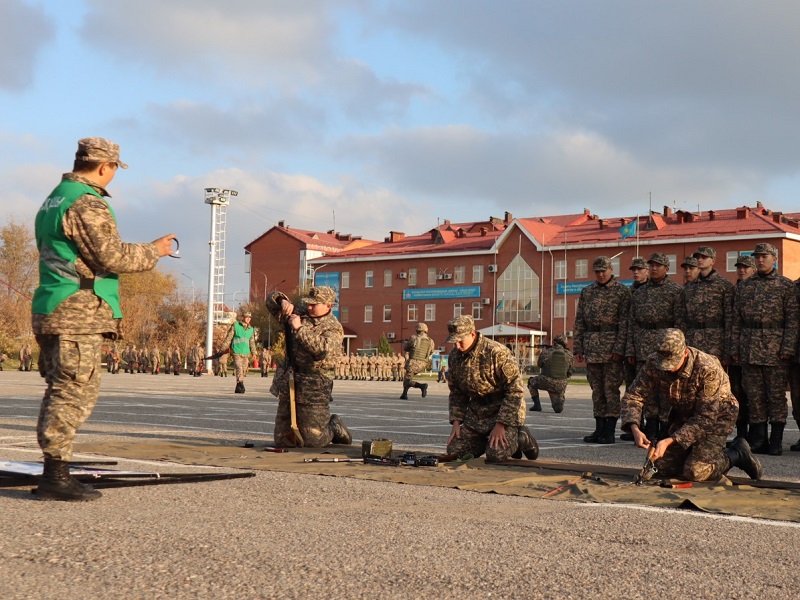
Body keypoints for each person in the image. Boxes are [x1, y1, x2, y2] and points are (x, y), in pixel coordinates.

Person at [31, 137, 175, 501]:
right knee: (73, 392)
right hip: (76, 311)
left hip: (54, 305)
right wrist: (154, 251)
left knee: (62, 390)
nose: (113, 176)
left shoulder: (54, 198)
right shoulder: (85, 202)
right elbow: (111, 257)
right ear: (104, 167)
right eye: (114, 169)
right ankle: (55, 475)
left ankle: (57, 469)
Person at [620, 329, 762, 482]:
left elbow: (706, 417)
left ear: (685, 353)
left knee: (696, 472)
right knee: (662, 468)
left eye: (672, 363)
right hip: (685, 414)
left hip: (717, 417)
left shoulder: (707, 368)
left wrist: (670, 440)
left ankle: (737, 454)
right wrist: (635, 428)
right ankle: (692, 453)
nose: (668, 368)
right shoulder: (654, 362)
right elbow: (634, 396)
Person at [731, 243, 799, 455]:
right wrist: (736, 347)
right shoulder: (744, 286)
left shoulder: (786, 286)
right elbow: (736, 321)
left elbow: (793, 321)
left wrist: (787, 347)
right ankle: (759, 440)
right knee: (754, 395)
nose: (760, 260)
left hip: (775, 349)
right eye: (757, 257)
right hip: (749, 347)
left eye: (765, 256)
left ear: (774, 259)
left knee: (776, 396)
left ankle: (776, 442)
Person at [445, 315, 538, 462]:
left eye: (460, 341)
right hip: (477, 414)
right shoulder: (455, 356)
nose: (457, 346)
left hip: (502, 411)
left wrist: (501, 424)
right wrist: (456, 422)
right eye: (454, 341)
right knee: (455, 452)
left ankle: (521, 438)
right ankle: (490, 442)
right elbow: (457, 392)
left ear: (472, 334)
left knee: (496, 455)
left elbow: (515, 390)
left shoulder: (496, 352)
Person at [266, 286, 351, 447]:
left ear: (328, 305)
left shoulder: (333, 327)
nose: (309, 307)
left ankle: (333, 427)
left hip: (314, 385)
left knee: (313, 440)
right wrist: (282, 301)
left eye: (314, 304)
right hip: (290, 381)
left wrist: (299, 328)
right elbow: (270, 302)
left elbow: (321, 349)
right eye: (308, 304)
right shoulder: (301, 313)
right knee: (282, 440)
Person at [573, 256, 631, 443]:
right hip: (592, 346)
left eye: (604, 270)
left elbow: (624, 324)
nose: (601, 274)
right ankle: (598, 429)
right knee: (597, 390)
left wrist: (619, 348)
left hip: (612, 347)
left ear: (611, 270)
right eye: (597, 271)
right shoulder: (587, 292)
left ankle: (609, 431)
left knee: (611, 390)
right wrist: (578, 347)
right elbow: (580, 321)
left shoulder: (622, 292)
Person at [625, 252, 682, 440]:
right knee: (647, 388)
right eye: (652, 265)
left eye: (658, 265)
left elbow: (680, 322)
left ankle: (665, 426)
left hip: (666, 345)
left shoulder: (675, 290)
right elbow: (632, 323)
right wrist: (631, 349)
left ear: (667, 268)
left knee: (666, 388)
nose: (654, 268)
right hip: (643, 344)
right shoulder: (640, 293)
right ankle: (650, 425)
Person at [675, 246, 734, 363]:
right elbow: (682, 318)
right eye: (698, 257)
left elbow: (729, 319)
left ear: (713, 261)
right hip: (692, 339)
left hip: (715, 341)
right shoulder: (689, 287)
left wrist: (728, 349)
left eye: (704, 257)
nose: (700, 260)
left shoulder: (724, 285)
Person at [729, 254, 756, 441]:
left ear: (753, 269)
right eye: (739, 267)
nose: (742, 270)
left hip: (753, 350)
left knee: (753, 393)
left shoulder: (756, 289)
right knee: (737, 393)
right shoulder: (733, 290)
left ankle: (757, 435)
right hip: (736, 350)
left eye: (746, 267)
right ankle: (741, 434)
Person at [527, 334, 573, 413]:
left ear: (554, 342)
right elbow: (569, 372)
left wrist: (543, 353)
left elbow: (539, 365)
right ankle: (558, 401)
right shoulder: (569, 355)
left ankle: (537, 405)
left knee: (531, 382)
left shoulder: (547, 352)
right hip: (561, 385)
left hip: (546, 381)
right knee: (558, 408)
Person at [219, 310, 257, 393]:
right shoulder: (236, 326)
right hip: (236, 351)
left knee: (243, 369)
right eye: (246, 317)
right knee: (239, 368)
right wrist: (223, 348)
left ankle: (239, 385)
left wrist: (254, 352)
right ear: (243, 317)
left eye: (249, 317)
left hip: (246, 352)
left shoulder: (251, 329)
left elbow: (252, 342)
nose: (248, 319)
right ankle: (240, 384)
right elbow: (228, 338)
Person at [401, 323, 435, 399]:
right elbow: (431, 352)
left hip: (413, 363)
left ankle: (422, 386)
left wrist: (404, 343)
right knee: (407, 378)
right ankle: (404, 394)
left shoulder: (414, 338)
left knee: (407, 380)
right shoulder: (431, 341)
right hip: (424, 363)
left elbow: (406, 348)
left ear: (417, 330)